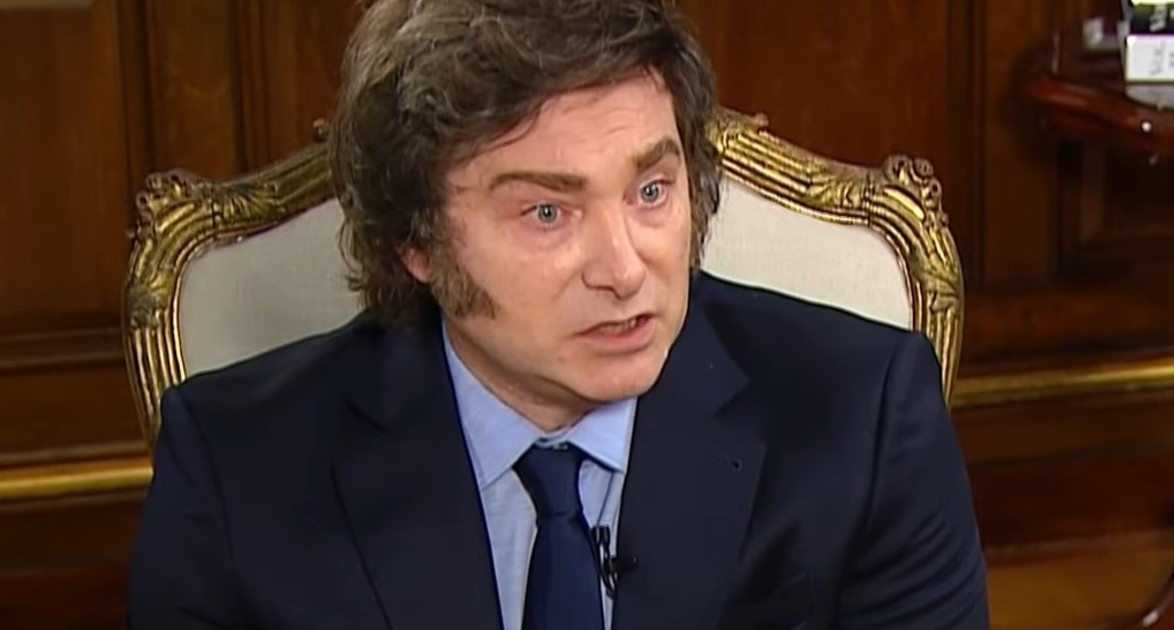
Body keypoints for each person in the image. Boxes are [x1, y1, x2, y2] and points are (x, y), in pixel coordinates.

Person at [127, 0, 990, 628]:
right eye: (548, 212)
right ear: (415, 240)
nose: (625, 269)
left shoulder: (863, 417)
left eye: (651, 191)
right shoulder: (238, 468)